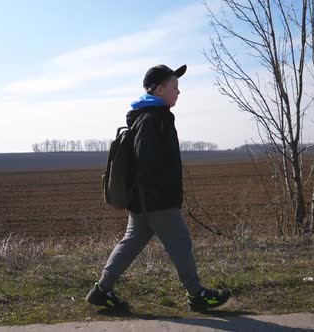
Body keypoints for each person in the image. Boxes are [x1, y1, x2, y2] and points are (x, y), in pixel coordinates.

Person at [85, 64, 231, 312]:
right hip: (157, 199)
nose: (178, 92)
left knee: (131, 242)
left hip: (144, 200)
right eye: (174, 87)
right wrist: (159, 196)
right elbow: (147, 160)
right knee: (180, 241)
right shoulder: (153, 118)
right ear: (159, 89)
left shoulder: (148, 116)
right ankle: (197, 295)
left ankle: (102, 290)